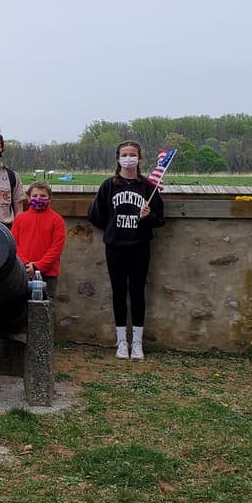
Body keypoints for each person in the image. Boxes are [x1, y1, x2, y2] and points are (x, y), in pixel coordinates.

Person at [87, 141, 165, 360]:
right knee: (118, 292)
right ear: (118, 158)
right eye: (125, 154)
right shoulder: (109, 185)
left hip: (140, 246)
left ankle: (137, 342)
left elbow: (160, 219)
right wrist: (112, 229)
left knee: (138, 292)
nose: (128, 158)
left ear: (139, 158)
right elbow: (96, 215)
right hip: (115, 247)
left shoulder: (147, 187)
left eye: (133, 154)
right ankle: (121, 340)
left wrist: (148, 216)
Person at [11, 181, 66, 299]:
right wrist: (26, 265)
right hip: (23, 273)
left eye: (43, 196)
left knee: (45, 307)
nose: (38, 198)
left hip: (48, 275)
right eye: (35, 196)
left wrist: (37, 266)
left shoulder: (57, 220)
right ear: (28, 198)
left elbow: (56, 248)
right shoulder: (20, 219)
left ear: (50, 198)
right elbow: (14, 245)